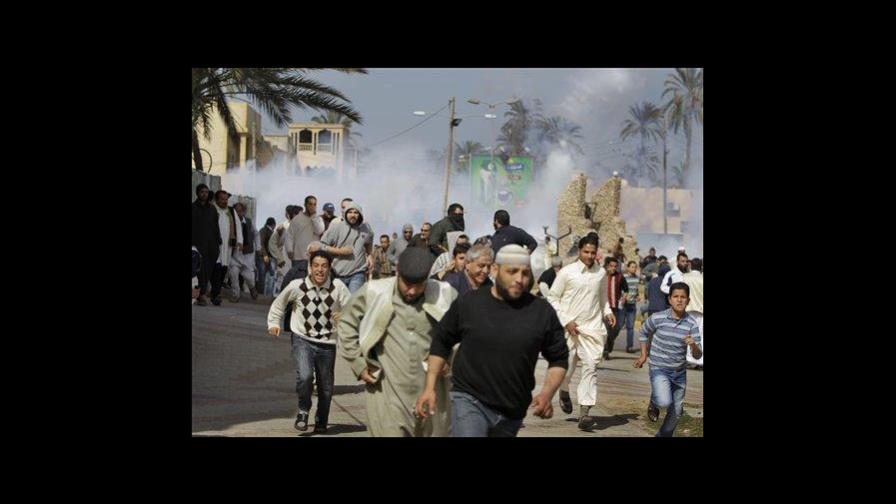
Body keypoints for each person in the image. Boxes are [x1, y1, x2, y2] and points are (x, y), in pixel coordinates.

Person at [416, 244, 569, 437]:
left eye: (524, 273)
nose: (519, 279)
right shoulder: (470, 303)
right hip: (469, 399)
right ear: (495, 270)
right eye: (512, 272)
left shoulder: (541, 312)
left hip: (512, 411)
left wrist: (547, 394)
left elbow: (559, 358)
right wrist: (429, 388)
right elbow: (441, 341)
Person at [337, 247, 458, 437]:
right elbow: (346, 323)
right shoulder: (375, 291)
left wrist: (450, 358)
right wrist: (358, 363)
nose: (411, 291)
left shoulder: (444, 294)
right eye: (406, 283)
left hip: (432, 391)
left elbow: (463, 334)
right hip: (388, 391)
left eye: (419, 285)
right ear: (397, 273)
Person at [267, 250, 351, 434]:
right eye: (316, 266)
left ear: (329, 268)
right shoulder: (297, 285)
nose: (320, 270)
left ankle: (321, 420)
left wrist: (344, 316)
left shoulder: (338, 287)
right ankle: (303, 411)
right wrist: (274, 323)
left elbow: (353, 310)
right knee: (305, 376)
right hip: (302, 338)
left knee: (326, 387)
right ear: (310, 268)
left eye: (324, 266)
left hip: (327, 343)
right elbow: (279, 304)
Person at [546, 234, 616, 431]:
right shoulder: (567, 273)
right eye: (586, 252)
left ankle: (584, 412)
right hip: (568, 328)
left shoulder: (601, 273)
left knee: (591, 367)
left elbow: (602, 297)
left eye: (593, 252)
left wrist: (608, 312)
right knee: (566, 368)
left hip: (592, 329)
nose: (589, 255)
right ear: (579, 251)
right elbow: (553, 298)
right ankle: (564, 389)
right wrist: (566, 320)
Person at [634, 282, 702, 437]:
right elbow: (644, 332)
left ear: (688, 301)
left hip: (679, 373)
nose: (679, 300)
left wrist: (694, 346)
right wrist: (644, 355)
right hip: (659, 368)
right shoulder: (658, 318)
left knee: (677, 411)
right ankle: (654, 401)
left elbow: (698, 355)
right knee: (664, 401)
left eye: (683, 297)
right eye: (676, 297)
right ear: (670, 299)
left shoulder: (691, 324)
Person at [310, 201, 373, 294]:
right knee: (337, 305)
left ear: (360, 215)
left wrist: (369, 255)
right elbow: (320, 245)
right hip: (337, 273)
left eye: (356, 213)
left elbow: (369, 241)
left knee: (353, 303)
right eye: (350, 212)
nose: (353, 215)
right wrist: (339, 251)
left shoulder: (366, 229)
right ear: (346, 213)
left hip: (358, 272)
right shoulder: (337, 227)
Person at [191, 184, 221, 306]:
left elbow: (215, 227)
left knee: (207, 269)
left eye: (206, 192)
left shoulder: (212, 209)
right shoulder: (193, 208)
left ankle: (201, 293)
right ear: (197, 193)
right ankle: (200, 294)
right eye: (202, 192)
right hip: (196, 244)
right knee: (198, 270)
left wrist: (218, 242)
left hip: (210, 245)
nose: (204, 194)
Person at [211, 190, 242, 306]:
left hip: (227, 245)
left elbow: (238, 227)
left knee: (224, 268)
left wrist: (239, 241)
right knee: (217, 268)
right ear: (217, 199)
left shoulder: (231, 211)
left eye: (226, 199)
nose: (225, 201)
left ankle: (215, 292)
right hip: (214, 244)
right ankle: (216, 293)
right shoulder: (212, 209)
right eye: (222, 199)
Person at [285, 195, 325, 282]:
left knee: (312, 281)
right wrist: (289, 250)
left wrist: (313, 217)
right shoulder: (296, 219)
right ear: (305, 205)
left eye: (314, 204)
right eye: (310, 204)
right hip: (298, 257)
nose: (312, 206)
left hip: (313, 257)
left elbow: (320, 231)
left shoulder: (318, 219)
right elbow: (289, 236)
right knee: (298, 282)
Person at [227, 202, 259, 301]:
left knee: (248, 276)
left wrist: (258, 248)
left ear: (244, 212)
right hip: (235, 254)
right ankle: (235, 295)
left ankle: (252, 287)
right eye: (236, 211)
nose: (238, 213)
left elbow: (256, 235)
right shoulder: (230, 222)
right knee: (233, 274)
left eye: (240, 211)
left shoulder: (249, 222)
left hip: (247, 254)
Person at [603, 256, 627, 360]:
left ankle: (608, 346)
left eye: (615, 266)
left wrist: (624, 298)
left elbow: (626, 289)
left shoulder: (620, 277)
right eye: (611, 266)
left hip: (615, 307)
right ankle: (605, 351)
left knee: (616, 328)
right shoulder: (602, 276)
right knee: (606, 329)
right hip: (604, 307)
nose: (613, 268)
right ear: (607, 266)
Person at [270, 205, 298, 295]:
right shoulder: (282, 227)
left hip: (298, 262)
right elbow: (272, 243)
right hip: (284, 262)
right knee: (282, 283)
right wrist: (279, 258)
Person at [682, 257, 703, 369]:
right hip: (701, 311)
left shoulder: (685, 278)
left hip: (687, 309)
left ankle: (689, 358)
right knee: (700, 335)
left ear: (691, 265)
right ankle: (700, 360)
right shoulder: (702, 278)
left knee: (687, 333)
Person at [622, 260, 641, 353]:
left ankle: (629, 346)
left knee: (630, 326)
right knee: (619, 325)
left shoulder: (637, 278)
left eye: (635, 267)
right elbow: (620, 288)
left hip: (632, 305)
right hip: (623, 305)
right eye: (632, 267)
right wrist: (624, 296)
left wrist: (637, 296)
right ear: (628, 268)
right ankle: (608, 346)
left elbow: (636, 290)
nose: (634, 269)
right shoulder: (623, 277)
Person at [256, 217, 276, 296]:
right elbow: (261, 243)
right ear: (273, 224)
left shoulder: (265, 230)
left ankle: (266, 295)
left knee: (267, 277)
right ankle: (262, 295)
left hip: (268, 257)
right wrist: (265, 255)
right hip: (264, 257)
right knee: (263, 277)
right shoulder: (264, 231)